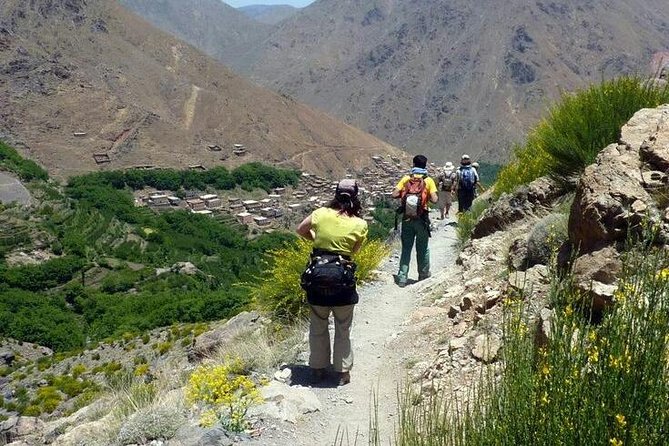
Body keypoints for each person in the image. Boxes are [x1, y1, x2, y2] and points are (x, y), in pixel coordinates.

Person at [296, 179, 368, 386]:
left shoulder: (320, 214)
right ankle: (343, 372)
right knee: (343, 328)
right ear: (355, 197)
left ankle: (318, 369)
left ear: (335, 194)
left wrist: (317, 241)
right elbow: (354, 251)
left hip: (317, 276)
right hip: (342, 281)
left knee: (318, 325)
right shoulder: (360, 224)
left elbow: (301, 229)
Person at [392, 154, 438, 288]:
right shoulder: (428, 180)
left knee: (406, 248)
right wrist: (426, 195)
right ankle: (423, 275)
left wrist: (405, 194)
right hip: (422, 218)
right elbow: (435, 200)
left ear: (413, 164)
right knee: (422, 248)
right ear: (425, 165)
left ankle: (402, 277)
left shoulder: (406, 179)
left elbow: (394, 194)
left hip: (407, 218)